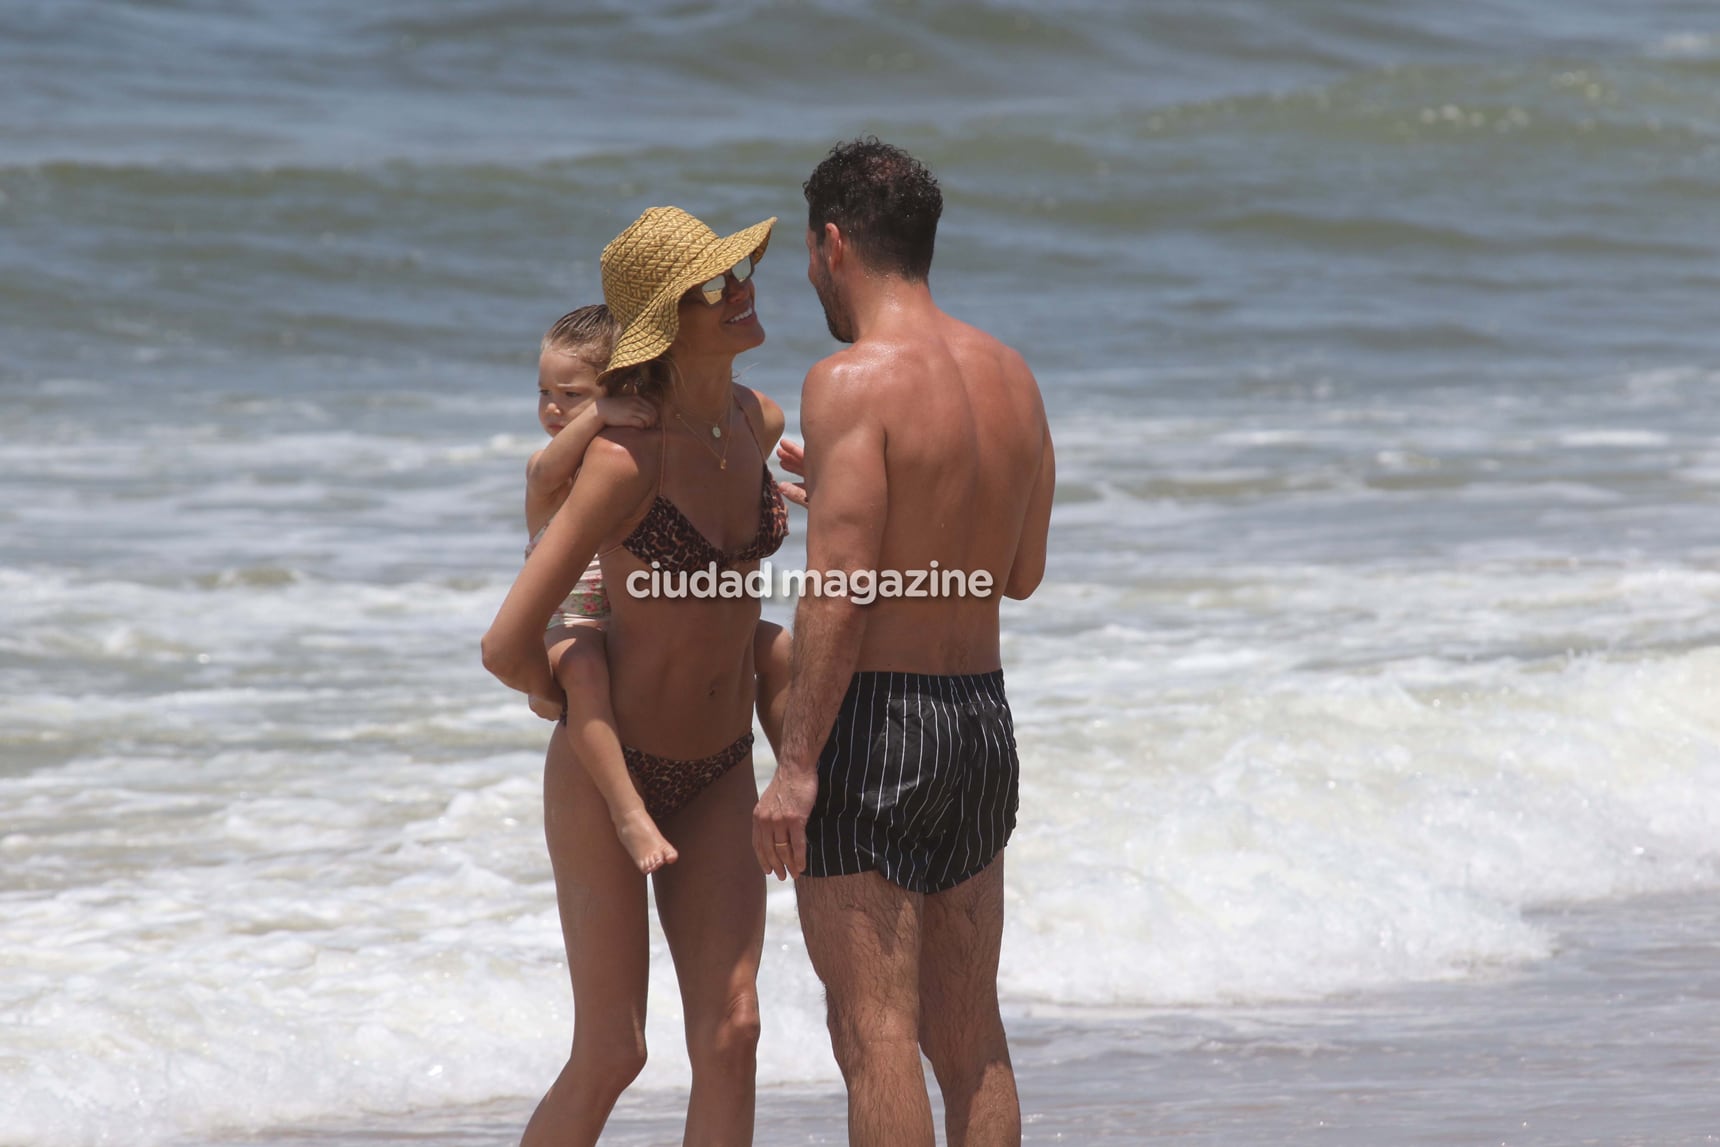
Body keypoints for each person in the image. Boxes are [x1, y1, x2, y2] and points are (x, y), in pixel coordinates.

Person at [753, 139, 1055, 1147]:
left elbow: (839, 591)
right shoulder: (1011, 376)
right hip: (980, 720)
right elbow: (1017, 573)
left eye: (806, 254)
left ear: (832, 243)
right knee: (970, 1038)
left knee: (873, 1035)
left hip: (876, 729)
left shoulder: (849, 379)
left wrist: (796, 765)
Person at [483, 205, 790, 1147]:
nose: (740, 292)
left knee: (734, 1032)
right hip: (610, 775)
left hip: (720, 767)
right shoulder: (621, 462)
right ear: (665, 322)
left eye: (740, 274)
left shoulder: (759, 420)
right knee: (614, 1051)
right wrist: (564, 686)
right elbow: (505, 642)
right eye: (713, 287)